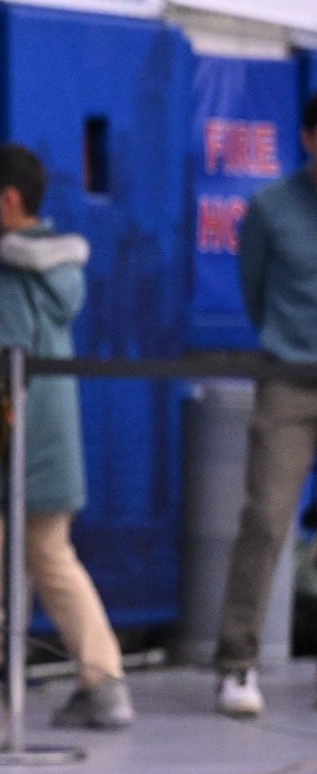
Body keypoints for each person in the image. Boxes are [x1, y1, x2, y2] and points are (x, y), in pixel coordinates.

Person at [0, 145, 132, 730]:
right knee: (55, 560)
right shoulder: (62, 271)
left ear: (8, 202)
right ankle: (106, 682)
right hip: (55, 449)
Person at [213, 93, 317, 717]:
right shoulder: (270, 208)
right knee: (267, 519)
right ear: (308, 138)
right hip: (288, 382)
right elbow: (254, 293)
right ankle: (235, 662)